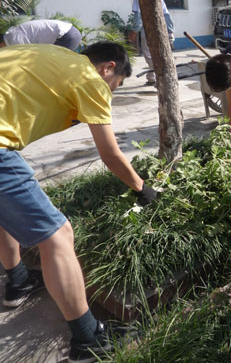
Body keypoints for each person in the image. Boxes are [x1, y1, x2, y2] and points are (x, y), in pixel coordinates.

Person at [0, 42, 158, 362]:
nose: (111, 93)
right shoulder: (88, 77)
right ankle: (88, 338)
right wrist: (142, 188)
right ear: (107, 68)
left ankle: (18, 282)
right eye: (116, 85)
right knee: (57, 235)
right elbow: (110, 154)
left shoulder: (54, 56)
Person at [127, 0, 175, 86]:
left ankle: (158, 77)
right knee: (161, 54)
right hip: (161, 29)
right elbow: (167, 16)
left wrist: (134, 32)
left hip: (148, 29)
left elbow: (138, 18)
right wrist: (170, 32)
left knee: (149, 55)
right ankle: (152, 77)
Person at [0, 19, 82, 51]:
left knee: (53, 64)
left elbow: (24, 57)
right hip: (69, 32)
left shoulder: (14, 40)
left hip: (66, 35)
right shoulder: (13, 34)